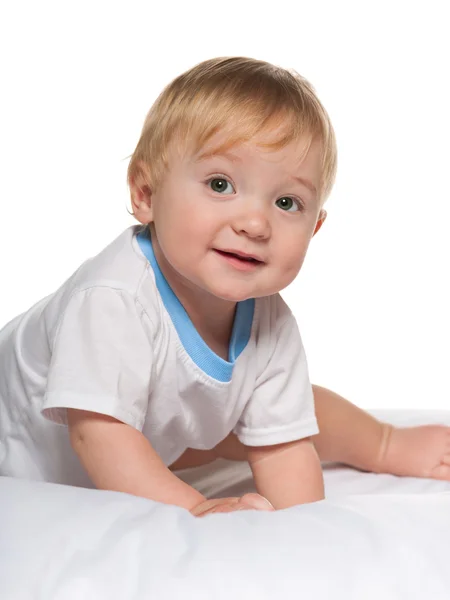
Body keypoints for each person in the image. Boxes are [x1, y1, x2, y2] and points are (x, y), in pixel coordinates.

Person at [1, 57, 449, 518]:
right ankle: (383, 443)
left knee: (285, 411)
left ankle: (383, 442)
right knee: (197, 421)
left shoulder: (269, 318)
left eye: (286, 202)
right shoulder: (113, 299)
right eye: (220, 184)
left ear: (315, 229)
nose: (255, 223)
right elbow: (97, 433)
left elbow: (283, 447)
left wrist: (309, 532)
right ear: (146, 194)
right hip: (37, 457)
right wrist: (197, 510)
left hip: (158, 429)